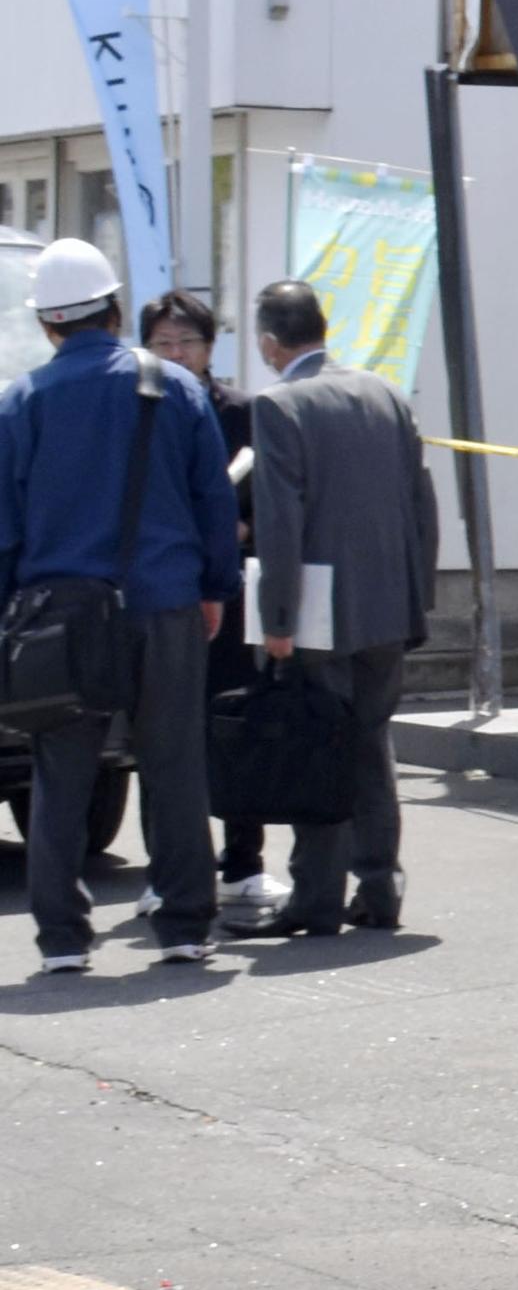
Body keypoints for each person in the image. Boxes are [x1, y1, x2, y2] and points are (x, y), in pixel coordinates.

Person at [0, 241, 239, 974]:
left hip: (60, 615)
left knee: (60, 771)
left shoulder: (21, 401)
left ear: (47, 324)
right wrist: (215, 590)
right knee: (172, 763)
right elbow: (213, 501)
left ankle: (64, 939)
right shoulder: (176, 387)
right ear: (113, 311)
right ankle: (185, 924)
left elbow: (5, 526)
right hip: (165, 603)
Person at [239, 281, 441, 938]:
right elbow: (422, 504)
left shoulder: (279, 405)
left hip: (319, 613)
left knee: (319, 746)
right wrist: (419, 593)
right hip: (388, 602)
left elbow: (280, 522)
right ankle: (380, 886)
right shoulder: (383, 392)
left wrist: (275, 620)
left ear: (270, 343)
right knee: (370, 745)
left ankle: (316, 896)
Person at [141, 293, 269, 917]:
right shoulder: (138, 410)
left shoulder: (241, 411)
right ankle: (163, 868)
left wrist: (239, 531)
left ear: (210, 347)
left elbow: (273, 498)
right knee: (163, 735)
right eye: (162, 343)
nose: (175, 354)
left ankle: (243, 861)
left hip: (230, 589)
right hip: (162, 592)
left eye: (185, 342)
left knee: (236, 723)